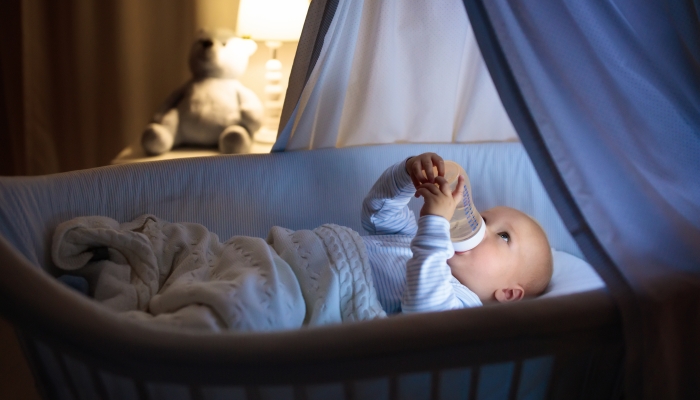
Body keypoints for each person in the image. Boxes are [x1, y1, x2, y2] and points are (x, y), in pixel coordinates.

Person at [362, 152, 553, 314]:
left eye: (504, 236)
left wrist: (435, 222)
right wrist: (408, 174)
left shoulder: (461, 306)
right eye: (483, 219)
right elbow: (378, 213)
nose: (482, 228)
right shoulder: (415, 239)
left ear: (508, 293)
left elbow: (423, 310)